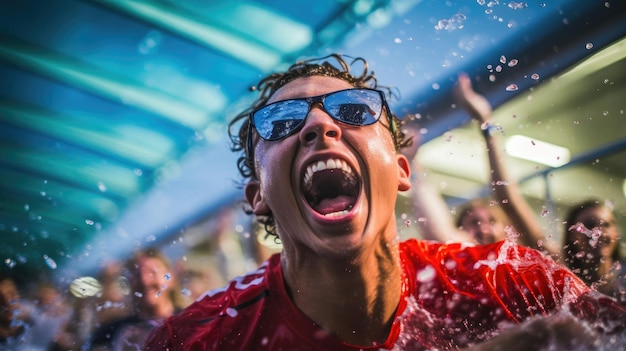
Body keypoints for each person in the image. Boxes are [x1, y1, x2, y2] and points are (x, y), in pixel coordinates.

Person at [144, 54, 625, 350]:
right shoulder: (194, 342)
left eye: (353, 111)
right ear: (259, 198)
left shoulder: (516, 288)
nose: (319, 126)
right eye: (283, 122)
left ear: (400, 171)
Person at [403, 74, 560, 259]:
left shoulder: (528, 258)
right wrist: (411, 164)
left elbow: (507, 198)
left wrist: (487, 123)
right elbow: (441, 234)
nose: (483, 228)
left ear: (508, 229)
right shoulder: (465, 260)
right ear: (461, 232)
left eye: (492, 221)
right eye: (474, 222)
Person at [89, 248, 178, 351]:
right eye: (136, 274)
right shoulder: (114, 333)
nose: (145, 281)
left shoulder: (190, 320)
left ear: (170, 277)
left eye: (152, 272)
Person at [563, 199, 625, 306]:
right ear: (572, 236)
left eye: (606, 225)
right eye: (590, 224)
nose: (599, 232)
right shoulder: (568, 281)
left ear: (615, 233)